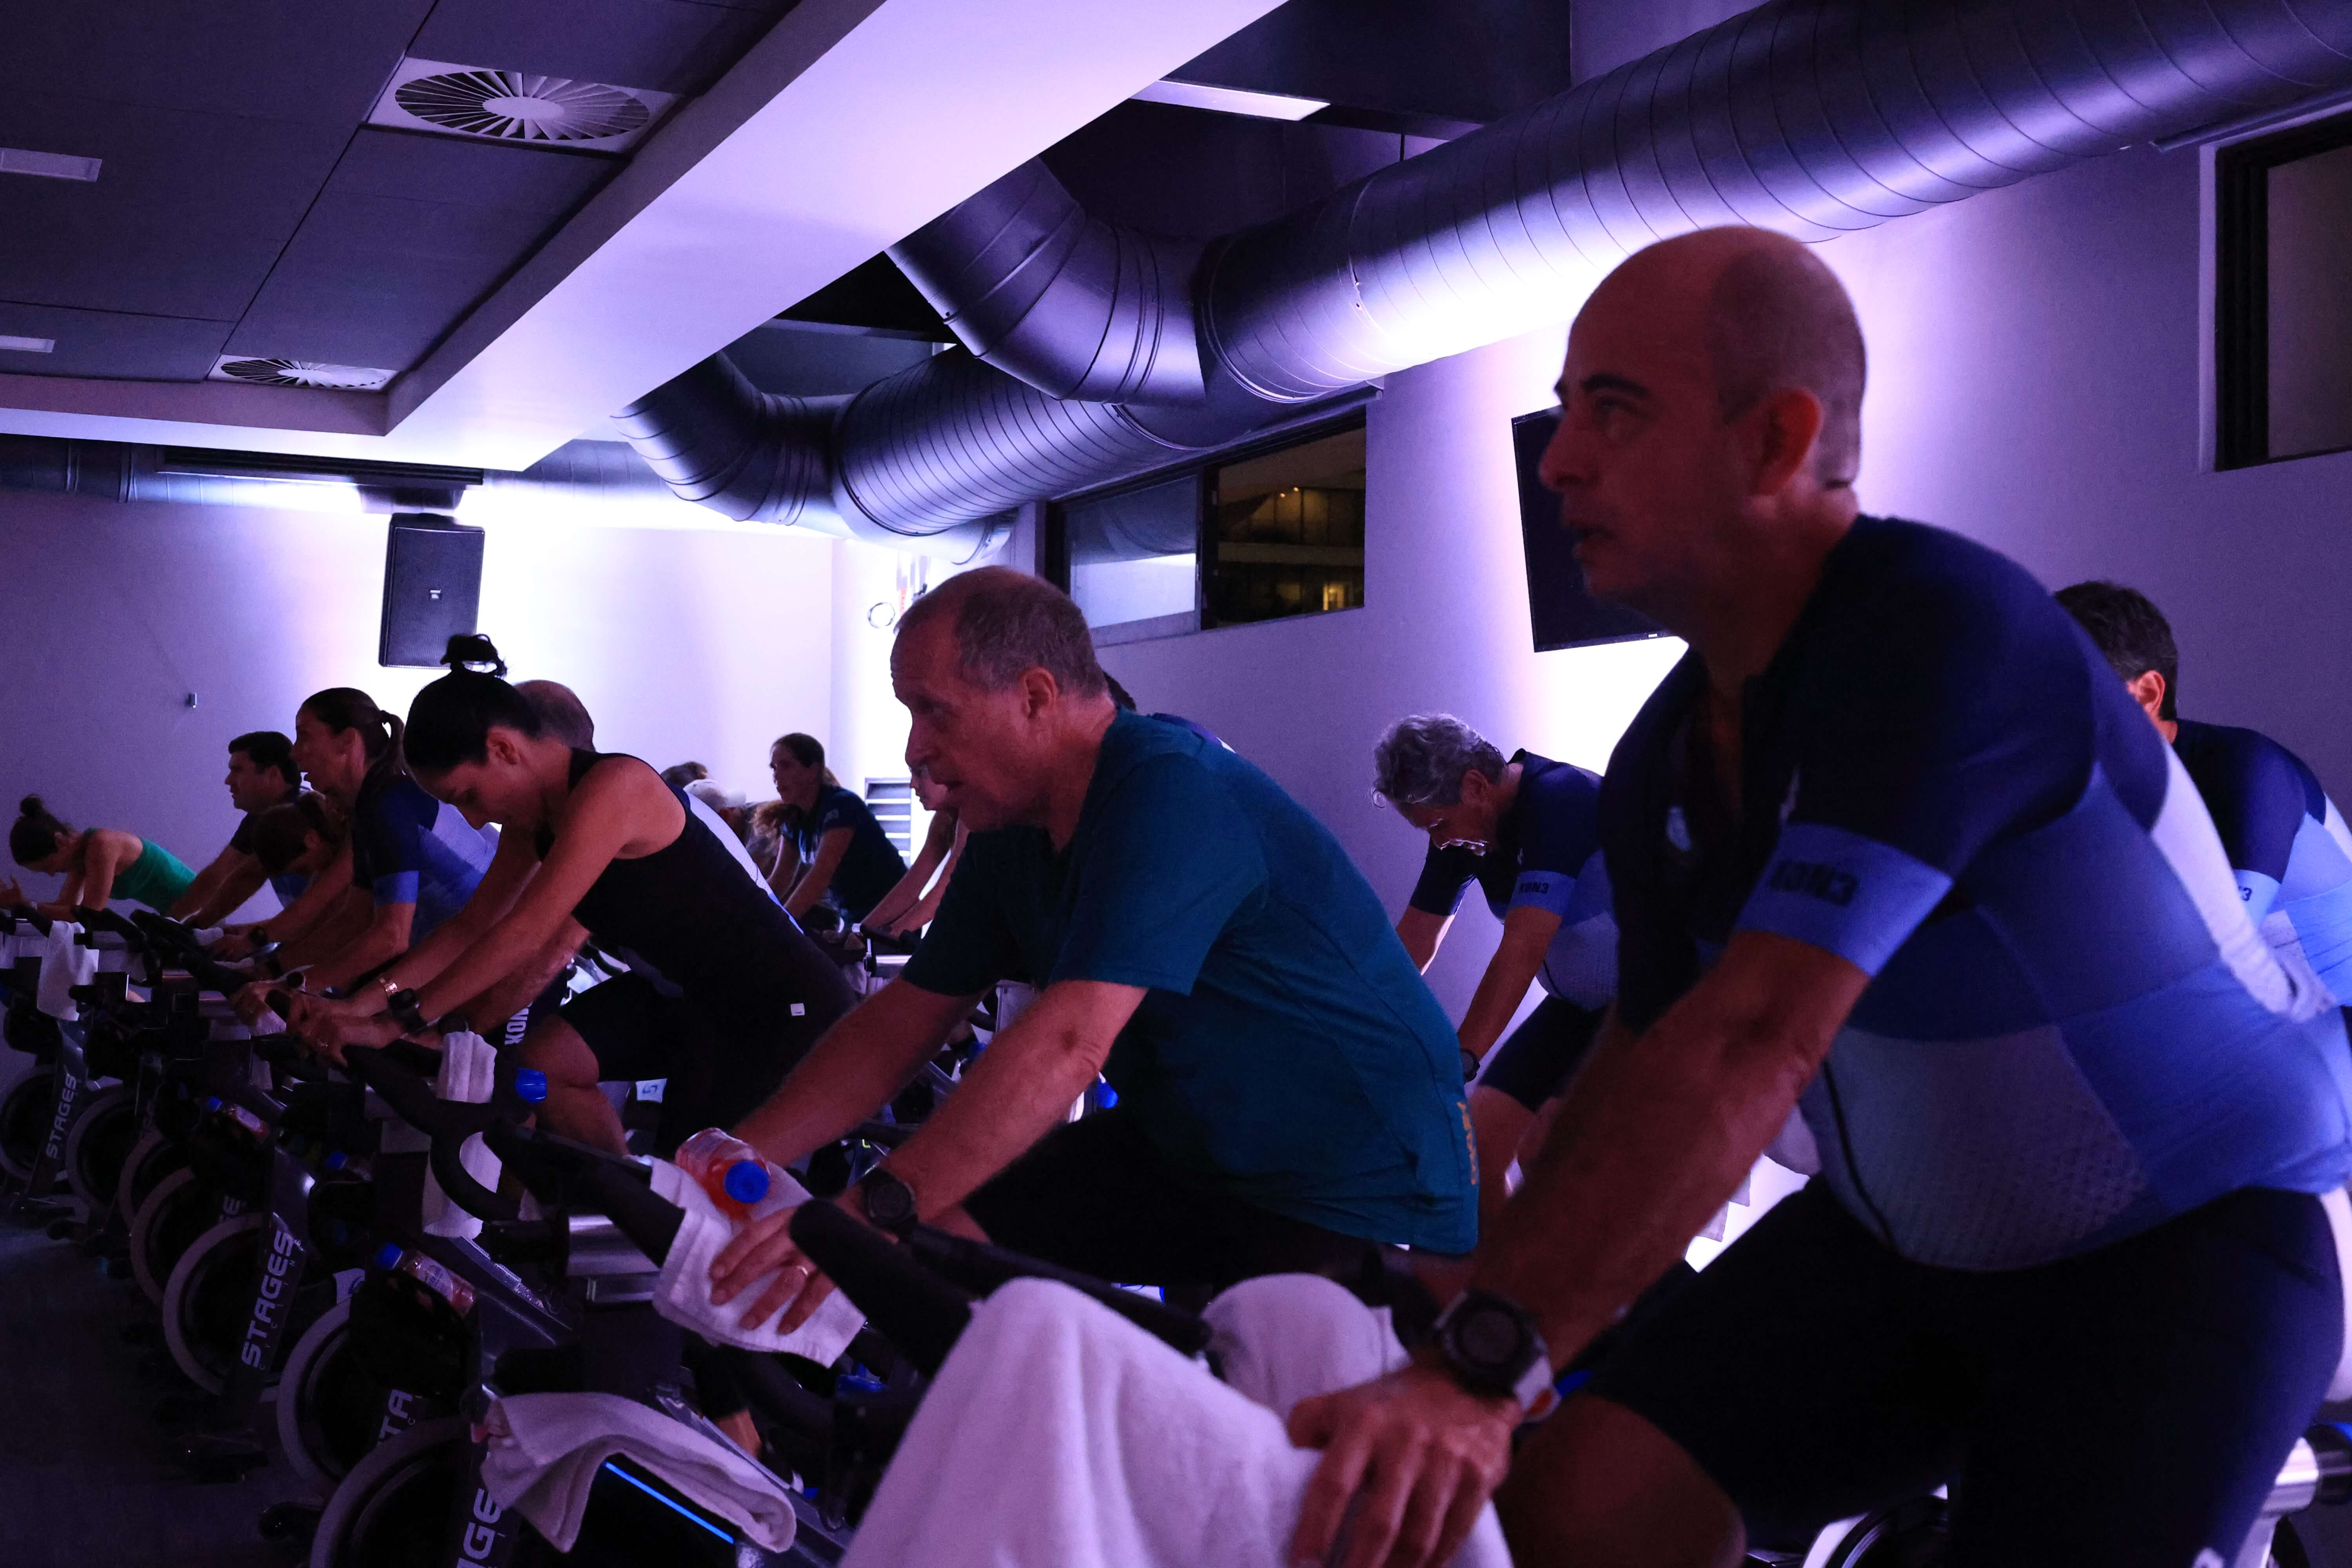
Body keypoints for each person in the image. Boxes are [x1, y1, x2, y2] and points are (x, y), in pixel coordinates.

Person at [1287, 227, 2352, 1568]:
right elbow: (1643, 1058)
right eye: (1564, 414)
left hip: (2174, 1251)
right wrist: (1474, 1328)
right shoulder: (1666, 752)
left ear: (1776, 439)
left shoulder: (1946, 636)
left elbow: (1753, 1040)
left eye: (1615, 410)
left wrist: (1480, 1371)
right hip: (1905, 1250)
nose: (1560, 461)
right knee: (1575, 1512)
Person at [703, 567, 1476, 1338]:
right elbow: (902, 1023)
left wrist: (873, 1210)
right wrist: (731, 1157)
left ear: (1036, 697)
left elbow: (1070, 1042)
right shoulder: (1011, 830)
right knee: (934, 1269)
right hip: (1191, 1142)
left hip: (1351, 1165)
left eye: (934, 711)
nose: (917, 749)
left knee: (1266, 1393)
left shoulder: (1169, 789)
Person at [298, 637, 856, 1156]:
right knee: (541, 1067)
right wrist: (356, 1007)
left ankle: (639, 1211)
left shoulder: (616, 788)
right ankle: (615, 1202)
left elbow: (527, 933)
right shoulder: (533, 821)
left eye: (468, 795)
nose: (474, 818)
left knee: (695, 1178)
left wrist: (401, 1024)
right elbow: (471, 927)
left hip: (778, 1002)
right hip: (690, 995)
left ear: (503, 749)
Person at [2058, 580, 2352, 1007]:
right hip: (2273, 1025)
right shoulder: (2088, 797)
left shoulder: (2249, 772)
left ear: (2146, 694)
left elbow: (2211, 963)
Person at [1376, 713, 1615, 1236]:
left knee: (1548, 1145)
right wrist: (1353, 1024)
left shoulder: (1560, 799)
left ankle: (1616, 1286)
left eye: (1438, 826)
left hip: (1645, 1000)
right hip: (1577, 1008)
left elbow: (1522, 951)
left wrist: (1458, 1061)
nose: (1438, 842)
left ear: (1476, 787)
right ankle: (1512, 1286)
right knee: (1475, 1153)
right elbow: (1414, 943)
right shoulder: (1461, 833)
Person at [250, 686, 495, 997]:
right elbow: (353, 919)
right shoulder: (370, 808)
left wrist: (294, 983)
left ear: (347, 740)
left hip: (495, 968)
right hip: (467, 963)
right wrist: (272, 970)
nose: (295, 754)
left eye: (305, 737)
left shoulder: (388, 807)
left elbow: (391, 938)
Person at [761, 733, 907, 926]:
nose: (776, 776)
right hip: (855, 918)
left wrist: (780, 925)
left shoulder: (841, 806)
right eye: (774, 768)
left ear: (813, 771)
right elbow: (780, 880)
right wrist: (748, 911)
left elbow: (819, 877)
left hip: (894, 913)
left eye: (786, 766)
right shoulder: (794, 819)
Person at [174, 730, 305, 923]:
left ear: (273, 775)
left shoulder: (304, 815)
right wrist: (181, 923)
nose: (228, 781)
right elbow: (220, 875)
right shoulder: (260, 818)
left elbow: (250, 876)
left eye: (237, 770)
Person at [4, 797, 197, 915]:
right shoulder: (80, 858)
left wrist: (26, 906)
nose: (53, 874)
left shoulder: (101, 845)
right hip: (180, 913)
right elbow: (66, 906)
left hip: (200, 904)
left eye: (49, 866)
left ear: (60, 842)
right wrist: (21, 905)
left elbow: (89, 914)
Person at [859, 768, 964, 939]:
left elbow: (947, 889)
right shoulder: (944, 819)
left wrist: (885, 935)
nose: (912, 784)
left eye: (920, 773)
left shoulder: (971, 817)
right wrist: (861, 931)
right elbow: (913, 884)